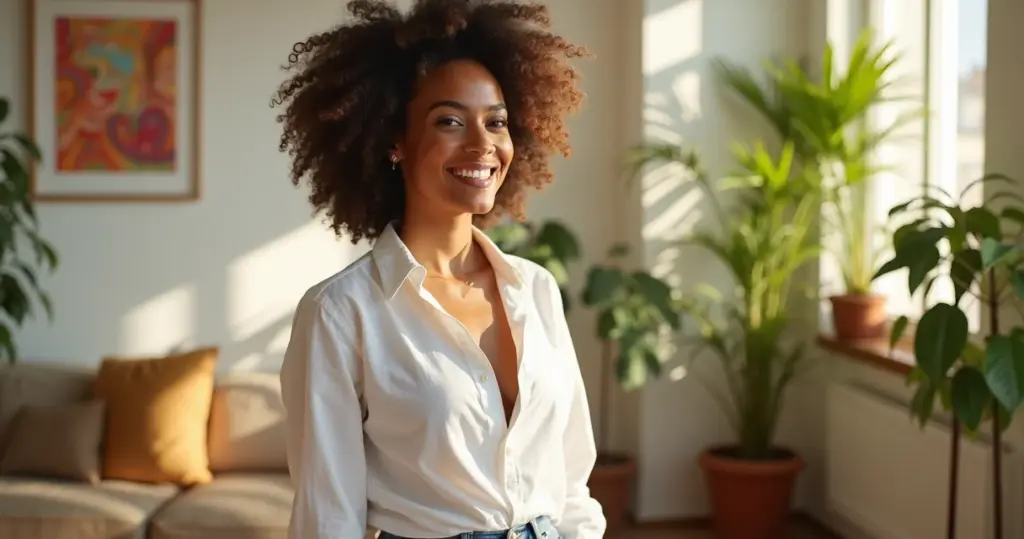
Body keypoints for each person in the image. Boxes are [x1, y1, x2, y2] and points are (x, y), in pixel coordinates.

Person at [273, 1, 605, 538]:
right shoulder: (340, 312)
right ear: (395, 141)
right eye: (450, 121)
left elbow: (570, 480)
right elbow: (328, 515)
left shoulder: (535, 288)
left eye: (495, 121)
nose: (482, 145)